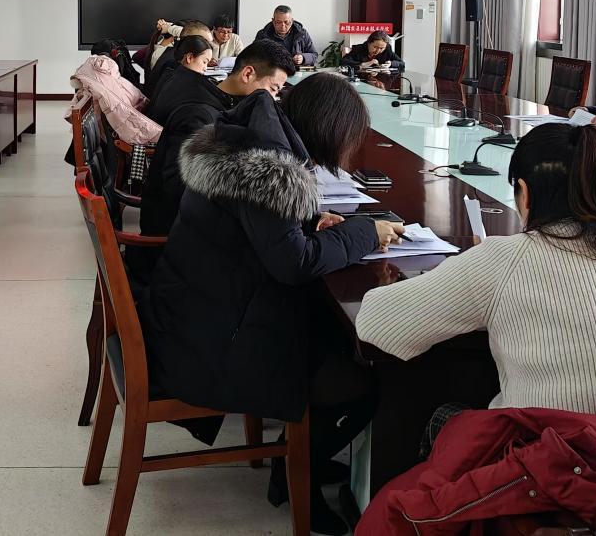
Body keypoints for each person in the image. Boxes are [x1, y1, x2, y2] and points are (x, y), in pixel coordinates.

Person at [142, 75, 404, 534]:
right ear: (329, 129)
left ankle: (301, 454)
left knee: (331, 340)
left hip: (191, 316)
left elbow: (257, 229)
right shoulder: (272, 171)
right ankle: (295, 472)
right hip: (212, 345)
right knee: (358, 383)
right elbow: (294, 264)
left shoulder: (248, 143)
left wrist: (306, 219)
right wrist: (366, 232)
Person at [355, 123, 596, 423]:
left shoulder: (504, 260)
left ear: (525, 193)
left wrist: (465, 276)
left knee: (444, 419)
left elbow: (375, 323)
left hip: (550, 472)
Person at [140, 41, 298, 236]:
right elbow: (179, 189)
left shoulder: (223, 101)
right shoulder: (198, 115)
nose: (272, 99)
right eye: (273, 89)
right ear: (248, 74)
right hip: (177, 236)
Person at [144, 21, 211, 96]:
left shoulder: (168, 54)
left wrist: (169, 27)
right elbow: (186, 34)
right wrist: (170, 28)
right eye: (202, 41)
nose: (205, 45)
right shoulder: (170, 58)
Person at [156, 14, 246, 64]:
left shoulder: (235, 39)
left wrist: (168, 27)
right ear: (214, 29)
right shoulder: (204, 37)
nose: (226, 35)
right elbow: (186, 32)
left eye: (229, 32)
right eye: (222, 31)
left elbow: (243, 58)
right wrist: (168, 27)